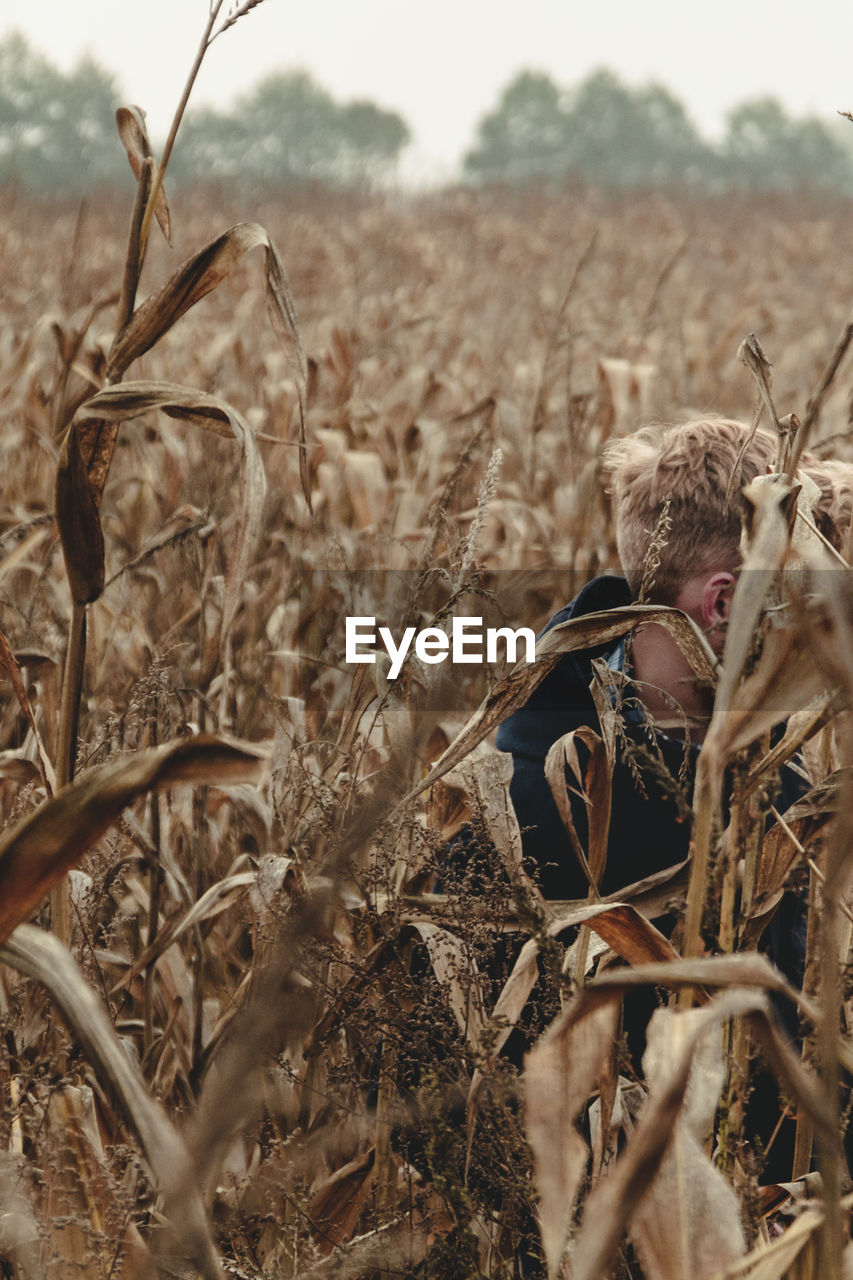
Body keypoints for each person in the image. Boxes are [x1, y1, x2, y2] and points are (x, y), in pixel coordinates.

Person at [496, 416, 832, 903]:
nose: (815, 630)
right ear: (723, 605)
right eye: (799, 595)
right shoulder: (524, 821)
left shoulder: (789, 767)